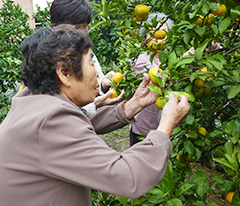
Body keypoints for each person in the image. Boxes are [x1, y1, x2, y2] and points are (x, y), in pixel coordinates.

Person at [0, 25, 190, 206]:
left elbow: (78, 127)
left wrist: (134, 105)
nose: (98, 74)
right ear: (64, 73)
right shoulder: (51, 121)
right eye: (91, 62)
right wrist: (165, 126)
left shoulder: (32, 98)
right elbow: (129, 177)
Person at [49, 0, 124, 114]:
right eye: (76, 28)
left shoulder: (87, 53)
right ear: (55, 26)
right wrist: (93, 106)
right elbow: (57, 110)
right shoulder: (48, 61)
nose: (82, 33)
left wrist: (103, 85)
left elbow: (96, 85)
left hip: (90, 129)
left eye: (85, 27)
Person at [129, 12, 174, 146]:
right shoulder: (140, 60)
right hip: (142, 128)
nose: (157, 37)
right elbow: (156, 78)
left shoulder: (174, 59)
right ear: (145, 39)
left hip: (167, 127)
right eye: (152, 33)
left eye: (162, 32)